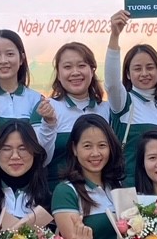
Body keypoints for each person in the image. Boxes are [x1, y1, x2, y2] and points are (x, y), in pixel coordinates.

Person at [0, 29, 58, 173]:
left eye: (10, 54)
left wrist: (50, 123)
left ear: (22, 59)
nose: (3, 61)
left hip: (26, 182)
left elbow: (39, 154)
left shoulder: (36, 99)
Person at [106, 11, 157, 186]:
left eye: (150, 67)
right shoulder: (123, 102)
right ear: (128, 74)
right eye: (137, 68)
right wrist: (114, 36)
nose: (144, 73)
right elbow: (112, 83)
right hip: (130, 189)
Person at [45, 42, 112, 190]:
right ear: (58, 74)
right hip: (56, 193)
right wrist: (48, 125)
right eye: (67, 67)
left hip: (102, 194)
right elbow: (39, 157)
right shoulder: (47, 108)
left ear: (92, 70)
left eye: (81, 65)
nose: (75, 72)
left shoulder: (107, 109)